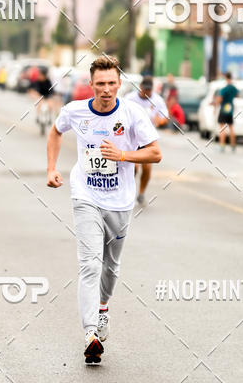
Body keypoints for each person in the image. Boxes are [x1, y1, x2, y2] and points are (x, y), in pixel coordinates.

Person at [46, 55, 162, 365]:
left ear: (120, 84)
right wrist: (51, 168)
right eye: (100, 84)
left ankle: (102, 308)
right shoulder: (76, 111)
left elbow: (155, 153)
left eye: (112, 83)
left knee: (111, 267)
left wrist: (123, 155)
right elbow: (56, 131)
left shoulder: (132, 113)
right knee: (90, 264)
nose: (106, 89)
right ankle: (90, 335)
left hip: (120, 201)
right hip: (85, 195)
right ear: (91, 85)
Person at [124, 76, 168, 206]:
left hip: (147, 139)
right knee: (134, 168)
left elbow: (165, 115)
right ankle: (128, 192)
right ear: (141, 87)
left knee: (147, 168)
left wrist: (159, 120)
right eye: (145, 89)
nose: (147, 92)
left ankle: (141, 193)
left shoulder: (157, 100)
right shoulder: (130, 98)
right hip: (132, 138)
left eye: (149, 90)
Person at [216, 71, 239, 152]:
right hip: (230, 108)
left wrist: (216, 104)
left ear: (226, 77)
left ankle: (222, 146)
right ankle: (233, 145)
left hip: (224, 108)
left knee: (222, 128)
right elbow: (238, 95)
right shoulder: (233, 88)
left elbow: (220, 98)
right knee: (231, 127)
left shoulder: (224, 89)